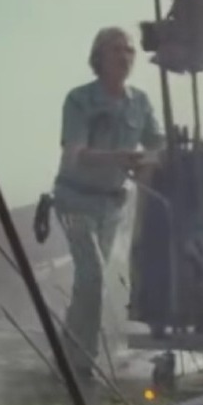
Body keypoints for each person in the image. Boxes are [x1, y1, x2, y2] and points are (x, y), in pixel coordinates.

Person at [50, 26, 164, 380]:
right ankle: (83, 364)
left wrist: (152, 159)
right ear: (99, 57)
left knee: (89, 283)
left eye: (129, 50)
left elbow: (159, 145)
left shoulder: (140, 102)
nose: (124, 56)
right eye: (116, 49)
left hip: (113, 205)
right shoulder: (79, 100)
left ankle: (69, 355)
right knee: (93, 276)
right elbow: (74, 155)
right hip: (75, 200)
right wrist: (119, 157)